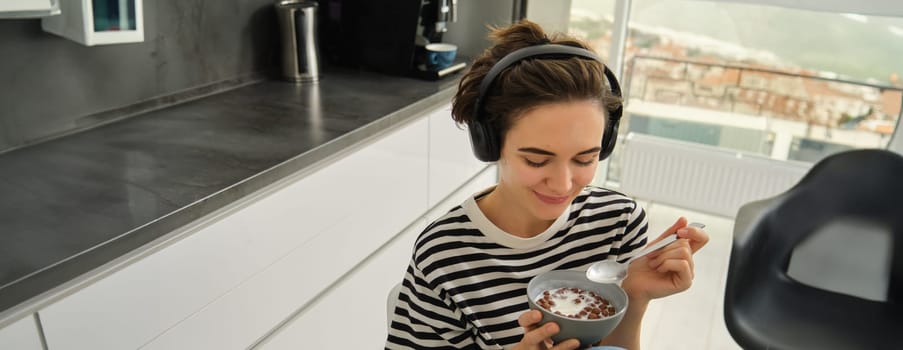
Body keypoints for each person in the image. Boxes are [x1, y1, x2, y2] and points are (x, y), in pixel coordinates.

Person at [386, 20, 709, 349]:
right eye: (537, 160)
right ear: (490, 144)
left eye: (584, 159)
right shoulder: (446, 254)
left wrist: (635, 297)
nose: (563, 184)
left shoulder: (619, 223)